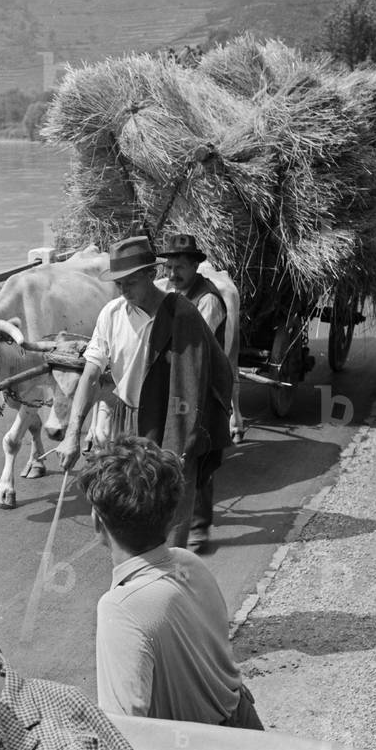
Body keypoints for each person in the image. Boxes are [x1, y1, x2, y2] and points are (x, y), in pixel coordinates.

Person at [57, 235, 233, 550]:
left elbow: (197, 380)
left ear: (152, 275)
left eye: (130, 283)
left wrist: (183, 441)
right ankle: (131, 575)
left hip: (173, 422)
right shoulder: (111, 314)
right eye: (118, 284)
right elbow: (92, 373)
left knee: (171, 511)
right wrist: (73, 432)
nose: (123, 291)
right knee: (119, 507)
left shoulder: (183, 315)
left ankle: (169, 578)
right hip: (126, 421)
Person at [77, 434, 263, 728]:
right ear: (172, 514)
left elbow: (124, 731)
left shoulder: (121, 608)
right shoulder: (189, 564)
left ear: (97, 520)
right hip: (246, 728)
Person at [155, 232, 230, 553]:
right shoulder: (168, 294)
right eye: (169, 267)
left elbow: (195, 351)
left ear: (195, 267)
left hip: (204, 385)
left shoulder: (207, 301)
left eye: (180, 267)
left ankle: (198, 526)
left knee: (196, 450)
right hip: (176, 383)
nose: (172, 274)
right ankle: (171, 521)